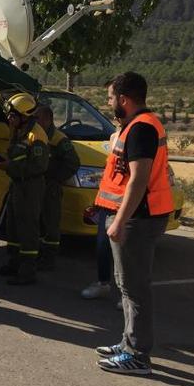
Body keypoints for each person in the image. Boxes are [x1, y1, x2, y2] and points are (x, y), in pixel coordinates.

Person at [94, 72, 173, 375]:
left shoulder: (141, 129)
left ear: (124, 100)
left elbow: (138, 181)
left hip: (138, 220)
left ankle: (138, 354)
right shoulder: (135, 126)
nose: (109, 102)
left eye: (111, 97)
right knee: (127, 286)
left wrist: (120, 220)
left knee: (135, 288)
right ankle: (129, 343)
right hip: (137, 217)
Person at [0, 93, 50, 285]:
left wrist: (9, 166)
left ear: (24, 116)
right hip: (18, 184)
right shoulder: (19, 131)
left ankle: (27, 271)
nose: (9, 118)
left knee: (28, 227)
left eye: (13, 115)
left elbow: (38, 166)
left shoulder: (37, 136)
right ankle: (14, 263)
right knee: (13, 225)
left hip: (30, 186)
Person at [35, 104, 80, 270]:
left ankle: (48, 258)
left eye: (37, 118)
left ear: (48, 119)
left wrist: (56, 179)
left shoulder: (59, 139)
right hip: (37, 185)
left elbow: (73, 163)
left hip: (51, 188)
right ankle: (37, 255)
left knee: (51, 223)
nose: (34, 121)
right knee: (37, 221)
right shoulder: (36, 135)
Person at [82, 127, 119, 300]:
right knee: (102, 246)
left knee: (124, 253)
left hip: (126, 205)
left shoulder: (137, 136)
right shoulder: (113, 138)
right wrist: (97, 204)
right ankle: (103, 283)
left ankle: (128, 295)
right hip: (107, 204)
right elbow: (109, 177)